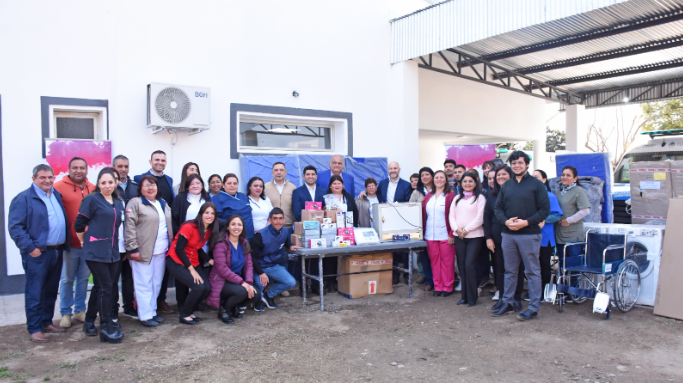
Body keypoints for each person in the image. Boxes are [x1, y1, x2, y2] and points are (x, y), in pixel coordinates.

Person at [8, 164, 69, 343]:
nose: (47, 181)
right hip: (38, 253)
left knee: (50, 290)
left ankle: (46, 322)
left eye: (50, 177)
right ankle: (34, 328)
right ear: (34, 179)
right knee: (35, 291)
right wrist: (31, 248)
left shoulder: (55, 195)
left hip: (56, 251)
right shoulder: (24, 199)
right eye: (43, 177)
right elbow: (16, 228)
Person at [492, 151, 550, 321]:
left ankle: (533, 307)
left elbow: (544, 210)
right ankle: (508, 302)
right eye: (514, 163)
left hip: (529, 235)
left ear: (526, 165)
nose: (517, 165)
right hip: (508, 235)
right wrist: (506, 222)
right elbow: (498, 209)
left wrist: (526, 222)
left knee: (532, 272)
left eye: (520, 163)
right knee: (509, 271)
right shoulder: (507, 185)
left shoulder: (536, 185)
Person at [75, 168, 126, 343]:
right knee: (106, 288)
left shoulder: (119, 203)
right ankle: (106, 326)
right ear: (98, 184)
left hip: (112, 251)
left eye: (110, 182)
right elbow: (79, 224)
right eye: (103, 183)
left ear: (115, 183)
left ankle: (89, 321)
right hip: (95, 252)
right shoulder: (91, 200)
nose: (107, 186)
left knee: (101, 287)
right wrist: (84, 242)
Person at [124, 175, 173, 327]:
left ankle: (152, 311)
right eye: (146, 185)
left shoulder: (162, 203)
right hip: (143, 251)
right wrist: (132, 248)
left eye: (153, 185)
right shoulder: (135, 203)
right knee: (143, 283)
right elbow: (129, 227)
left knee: (156, 283)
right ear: (140, 188)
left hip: (161, 250)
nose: (150, 188)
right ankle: (145, 315)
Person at [53, 157, 95, 328]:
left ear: (87, 170)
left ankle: (80, 310)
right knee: (67, 279)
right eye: (75, 167)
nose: (79, 170)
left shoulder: (93, 188)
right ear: (69, 169)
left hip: (88, 244)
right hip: (70, 244)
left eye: (82, 167)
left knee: (83, 279)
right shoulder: (58, 187)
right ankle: (65, 312)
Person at [133, 150, 174, 314]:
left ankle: (155, 306)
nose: (160, 162)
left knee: (158, 280)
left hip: (162, 243)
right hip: (145, 245)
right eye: (157, 160)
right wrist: (133, 247)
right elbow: (132, 224)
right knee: (144, 281)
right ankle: (144, 312)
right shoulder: (138, 187)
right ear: (150, 161)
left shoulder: (165, 190)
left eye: (163, 160)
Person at [166, 202, 219, 324]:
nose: (209, 215)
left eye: (212, 213)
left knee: (206, 288)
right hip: (176, 260)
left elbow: (197, 248)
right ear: (201, 214)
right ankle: (184, 315)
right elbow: (179, 249)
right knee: (198, 287)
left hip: (192, 260)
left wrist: (209, 260)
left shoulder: (208, 231)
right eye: (206, 212)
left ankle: (189, 310)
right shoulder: (189, 226)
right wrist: (192, 270)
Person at [207, 214, 262, 324]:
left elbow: (249, 266)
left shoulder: (244, 243)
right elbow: (222, 269)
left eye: (239, 225)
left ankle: (234, 306)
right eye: (233, 224)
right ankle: (224, 310)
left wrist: (249, 283)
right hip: (221, 281)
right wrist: (243, 283)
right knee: (242, 291)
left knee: (256, 294)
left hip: (237, 281)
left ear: (242, 228)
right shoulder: (220, 244)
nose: (236, 227)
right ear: (227, 227)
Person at [249, 208, 302, 309]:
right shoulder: (260, 236)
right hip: (259, 266)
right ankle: (258, 301)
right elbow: (251, 257)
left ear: (284, 219)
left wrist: (290, 246)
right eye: (275, 218)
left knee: (291, 282)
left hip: (273, 266)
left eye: (280, 218)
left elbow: (285, 240)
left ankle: (268, 295)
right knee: (260, 285)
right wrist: (261, 273)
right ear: (269, 219)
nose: (278, 221)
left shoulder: (285, 230)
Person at [449, 172, 486, 306]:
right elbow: (452, 217)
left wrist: (465, 230)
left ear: (475, 183)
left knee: (470, 265)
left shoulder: (480, 198)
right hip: (459, 237)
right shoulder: (457, 198)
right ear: (461, 183)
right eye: (465, 181)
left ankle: (472, 297)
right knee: (462, 266)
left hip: (475, 237)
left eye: (470, 181)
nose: (467, 184)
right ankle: (464, 296)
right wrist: (457, 230)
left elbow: (480, 218)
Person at [421, 170, 456, 297]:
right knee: (434, 262)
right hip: (430, 235)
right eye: (437, 177)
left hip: (445, 234)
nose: (439, 180)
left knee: (447, 262)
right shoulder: (428, 197)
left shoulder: (450, 196)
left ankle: (447, 286)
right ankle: (438, 286)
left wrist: (452, 234)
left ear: (445, 180)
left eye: (442, 177)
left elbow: (454, 216)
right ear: (433, 180)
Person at [532, 169, 564, 300]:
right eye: (532, 177)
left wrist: (543, 220)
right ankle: (534, 291)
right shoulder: (529, 196)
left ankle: (543, 292)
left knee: (543, 264)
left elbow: (557, 216)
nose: (534, 179)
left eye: (537, 177)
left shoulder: (550, 196)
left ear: (544, 180)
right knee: (533, 265)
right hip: (530, 236)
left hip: (545, 237)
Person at [114, 155, 138, 319]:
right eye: (120, 166)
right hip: (114, 241)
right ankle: (112, 309)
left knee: (129, 277)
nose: (123, 169)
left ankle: (129, 307)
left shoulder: (135, 187)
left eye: (126, 166)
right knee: (113, 278)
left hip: (132, 239)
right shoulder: (109, 186)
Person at [554, 166, 591, 263]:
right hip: (559, 235)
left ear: (575, 178)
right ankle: (563, 279)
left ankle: (573, 279)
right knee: (562, 265)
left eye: (568, 175)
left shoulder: (579, 191)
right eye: (563, 175)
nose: (564, 177)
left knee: (573, 265)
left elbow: (585, 210)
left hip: (572, 236)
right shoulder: (559, 192)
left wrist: (569, 220)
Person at [410, 167, 435, 291]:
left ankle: (439, 280)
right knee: (424, 256)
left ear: (432, 176)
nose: (424, 177)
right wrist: (418, 204)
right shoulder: (416, 192)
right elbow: (410, 209)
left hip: (436, 227)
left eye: (427, 174)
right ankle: (429, 280)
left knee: (436, 256)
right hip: (422, 228)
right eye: (422, 175)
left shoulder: (438, 190)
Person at [212, 173, 255, 238]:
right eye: (229, 183)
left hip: (249, 235)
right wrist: (230, 224)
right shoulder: (216, 199)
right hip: (231, 237)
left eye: (235, 183)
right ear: (223, 185)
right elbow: (214, 218)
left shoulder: (243, 196)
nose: (232, 186)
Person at [264, 162, 296, 227]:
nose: (279, 172)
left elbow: (295, 207)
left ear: (285, 172)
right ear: (272, 173)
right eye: (276, 170)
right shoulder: (265, 187)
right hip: (270, 226)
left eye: (281, 170)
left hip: (287, 226)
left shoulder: (292, 188)